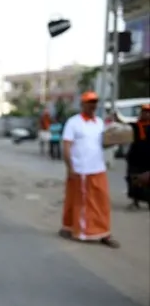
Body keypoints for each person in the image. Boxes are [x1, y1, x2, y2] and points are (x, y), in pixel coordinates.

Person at [60, 91, 119, 248]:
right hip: (81, 169)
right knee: (84, 203)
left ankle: (102, 231)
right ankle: (82, 231)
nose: (93, 105)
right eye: (89, 102)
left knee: (102, 201)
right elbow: (66, 146)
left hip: (98, 168)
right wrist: (70, 167)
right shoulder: (73, 122)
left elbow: (102, 144)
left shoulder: (99, 122)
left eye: (95, 102)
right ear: (82, 104)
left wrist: (114, 138)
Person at [125, 104, 150, 210]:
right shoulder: (134, 126)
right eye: (144, 112)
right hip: (135, 158)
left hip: (148, 159)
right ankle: (135, 201)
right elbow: (124, 126)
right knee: (133, 179)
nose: (145, 114)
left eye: (148, 112)